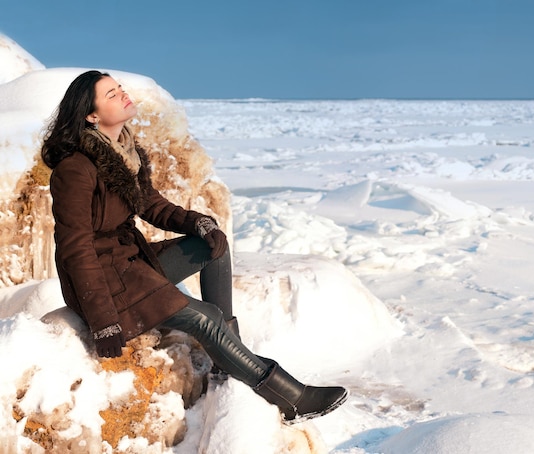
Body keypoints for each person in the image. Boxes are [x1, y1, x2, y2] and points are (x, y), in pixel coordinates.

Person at [41, 70, 348, 423]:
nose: (123, 94)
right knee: (206, 319)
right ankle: (290, 399)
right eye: (111, 94)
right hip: (105, 284)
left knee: (213, 247)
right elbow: (75, 247)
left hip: (131, 263)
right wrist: (103, 321)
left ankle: (226, 361)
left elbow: (151, 204)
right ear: (91, 115)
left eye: (120, 88)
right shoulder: (75, 169)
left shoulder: (123, 151)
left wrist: (198, 224)